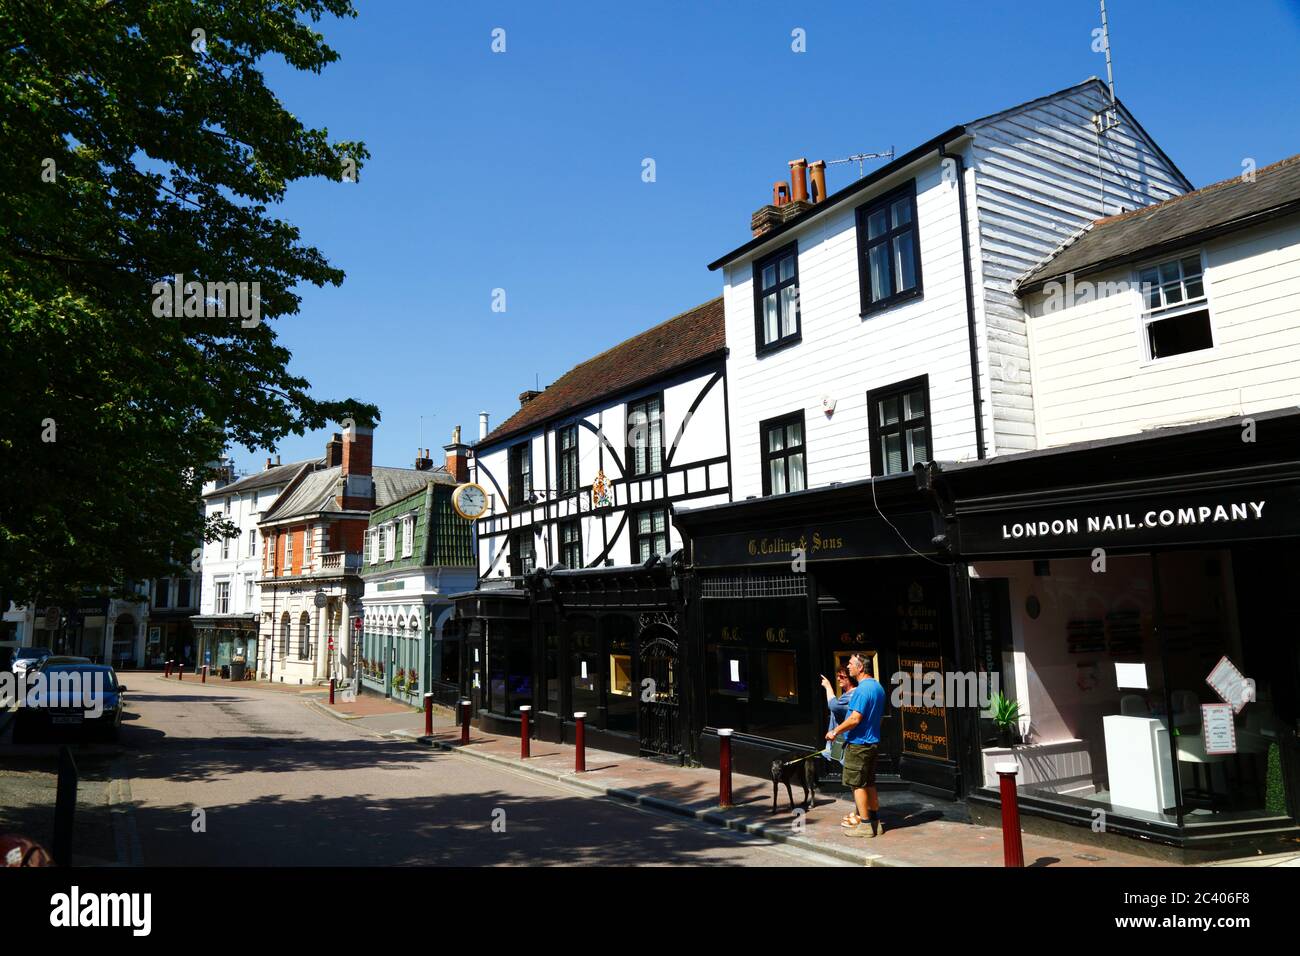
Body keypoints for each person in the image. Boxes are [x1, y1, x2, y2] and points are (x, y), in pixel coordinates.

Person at [826, 652, 885, 837]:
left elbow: (854, 718)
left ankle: (866, 825)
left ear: (860, 667)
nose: (849, 667)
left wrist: (835, 731)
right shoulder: (878, 687)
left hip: (859, 744)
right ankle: (876, 822)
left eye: (851, 664)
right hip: (873, 742)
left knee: (857, 784)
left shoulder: (861, 690)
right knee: (869, 782)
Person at [819, 666, 856, 763]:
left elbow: (833, 706)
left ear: (851, 678)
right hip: (841, 740)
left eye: (842, 676)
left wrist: (828, 686)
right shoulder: (846, 694)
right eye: (837, 676)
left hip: (848, 742)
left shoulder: (852, 694)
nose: (838, 678)